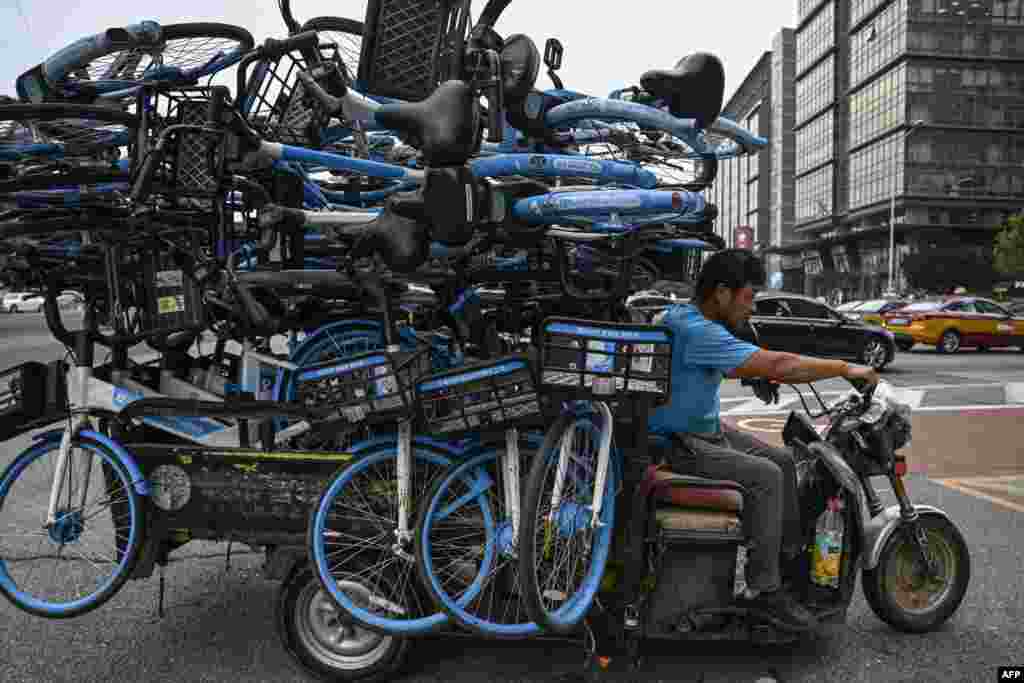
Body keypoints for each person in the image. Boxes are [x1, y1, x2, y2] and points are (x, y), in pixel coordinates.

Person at [648, 249, 879, 632]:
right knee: (766, 476)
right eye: (748, 297)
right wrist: (843, 367)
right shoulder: (697, 330)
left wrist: (754, 373)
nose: (752, 307)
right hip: (676, 442)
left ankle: (786, 564)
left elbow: (742, 356)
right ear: (722, 294)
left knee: (785, 461)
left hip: (704, 430)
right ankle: (765, 592)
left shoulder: (689, 318)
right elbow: (780, 364)